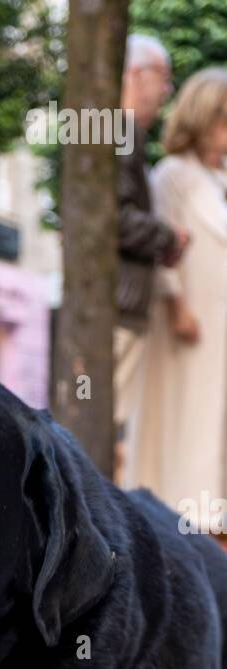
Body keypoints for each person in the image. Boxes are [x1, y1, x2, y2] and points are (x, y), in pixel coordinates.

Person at [128, 68, 227, 519]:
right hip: (189, 320)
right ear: (202, 119)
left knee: (213, 413)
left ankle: (211, 508)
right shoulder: (172, 174)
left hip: (218, 322)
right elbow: (165, 248)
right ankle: (180, 509)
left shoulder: (218, 179)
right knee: (185, 415)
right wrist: (179, 306)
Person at [114, 35, 189, 466]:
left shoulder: (114, 131)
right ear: (136, 75)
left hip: (121, 299)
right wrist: (169, 237)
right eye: (163, 77)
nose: (165, 91)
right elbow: (115, 218)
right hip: (120, 301)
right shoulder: (120, 131)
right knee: (113, 422)